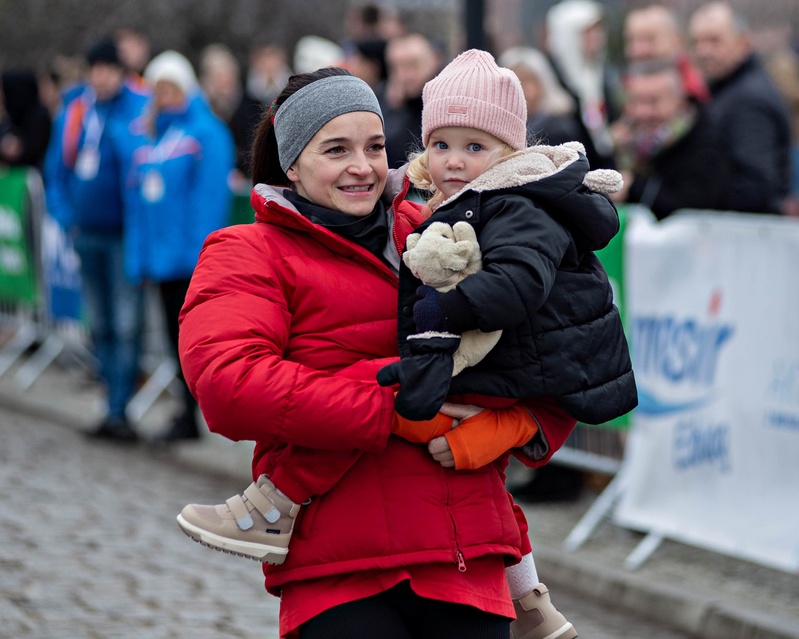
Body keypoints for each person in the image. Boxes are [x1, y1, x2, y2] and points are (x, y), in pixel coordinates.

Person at [175, 66, 583, 639]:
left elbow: (561, 351)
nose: (363, 167)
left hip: (467, 552)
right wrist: (392, 401)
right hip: (339, 565)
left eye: (374, 146)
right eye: (336, 150)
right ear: (291, 163)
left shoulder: (445, 229)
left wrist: (517, 426)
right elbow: (229, 385)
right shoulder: (247, 250)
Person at [124, 50, 235, 442]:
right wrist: (140, 256)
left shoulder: (206, 133)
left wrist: (200, 257)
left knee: (194, 343)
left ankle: (198, 416)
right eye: (158, 89)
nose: (164, 96)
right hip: (161, 259)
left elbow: (209, 201)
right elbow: (139, 199)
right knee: (173, 343)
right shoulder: (151, 134)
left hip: (189, 260)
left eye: (171, 88)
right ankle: (185, 413)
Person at [44, 36, 149, 442]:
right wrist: (66, 218)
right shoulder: (76, 111)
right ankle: (110, 405)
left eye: (108, 69)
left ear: (121, 73)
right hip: (86, 232)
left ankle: (121, 408)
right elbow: (56, 170)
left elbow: (142, 159)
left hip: (124, 234)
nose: (101, 77)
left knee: (126, 324)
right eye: (96, 70)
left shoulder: (137, 108)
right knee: (101, 324)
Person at [688, 1, 791, 214]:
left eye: (714, 41)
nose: (703, 51)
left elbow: (756, 186)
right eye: (697, 42)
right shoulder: (727, 89)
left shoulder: (749, 101)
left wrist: (697, 199)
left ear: (742, 43)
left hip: (743, 229)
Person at [610, 61, 731, 220]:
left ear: (679, 102)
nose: (642, 112)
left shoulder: (704, 144)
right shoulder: (622, 143)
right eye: (635, 101)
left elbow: (692, 207)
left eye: (653, 102)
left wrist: (634, 187)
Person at [544, 0, 623, 170]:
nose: (597, 37)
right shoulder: (554, 83)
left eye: (598, 31)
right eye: (588, 33)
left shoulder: (600, 77)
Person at [498, 46, 586, 147]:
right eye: (514, 82)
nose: (520, 89)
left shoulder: (557, 128)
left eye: (526, 81)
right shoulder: (500, 129)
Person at [198, 44, 262, 181]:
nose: (224, 83)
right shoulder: (200, 112)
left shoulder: (251, 108)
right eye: (218, 77)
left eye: (227, 76)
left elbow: (254, 150)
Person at [623, 4, 709, 103]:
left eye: (649, 39)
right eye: (632, 40)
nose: (639, 50)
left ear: (676, 41)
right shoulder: (621, 87)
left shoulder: (697, 92)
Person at [382, 32, 443, 169]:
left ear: (435, 60)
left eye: (414, 65)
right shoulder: (388, 103)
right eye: (397, 67)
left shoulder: (444, 104)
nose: (406, 76)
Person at [0, 69, 52, 169]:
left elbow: (34, 152)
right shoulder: (12, 116)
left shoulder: (39, 118)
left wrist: (19, 149)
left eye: (3, 90)